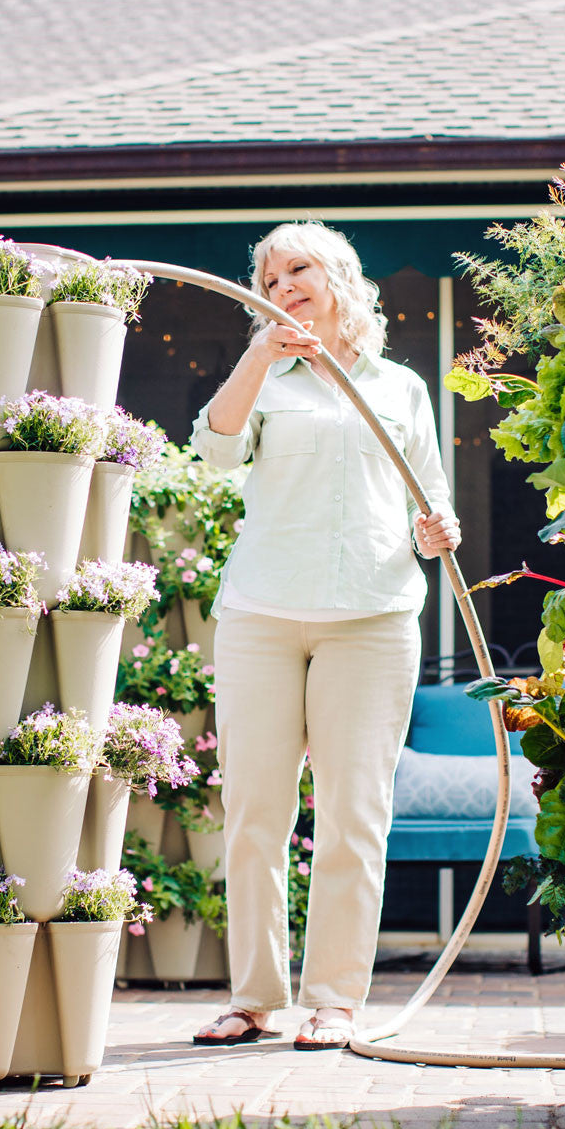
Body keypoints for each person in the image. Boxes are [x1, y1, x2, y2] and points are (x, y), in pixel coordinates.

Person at [189, 223, 460, 1051]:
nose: (282, 284)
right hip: (263, 618)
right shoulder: (264, 378)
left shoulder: (401, 387)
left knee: (354, 817)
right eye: (269, 277)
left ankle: (336, 1000)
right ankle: (253, 998)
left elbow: (430, 504)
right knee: (254, 814)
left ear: (339, 277)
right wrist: (259, 358)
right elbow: (211, 455)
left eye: (297, 268)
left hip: (372, 621)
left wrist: (439, 527)